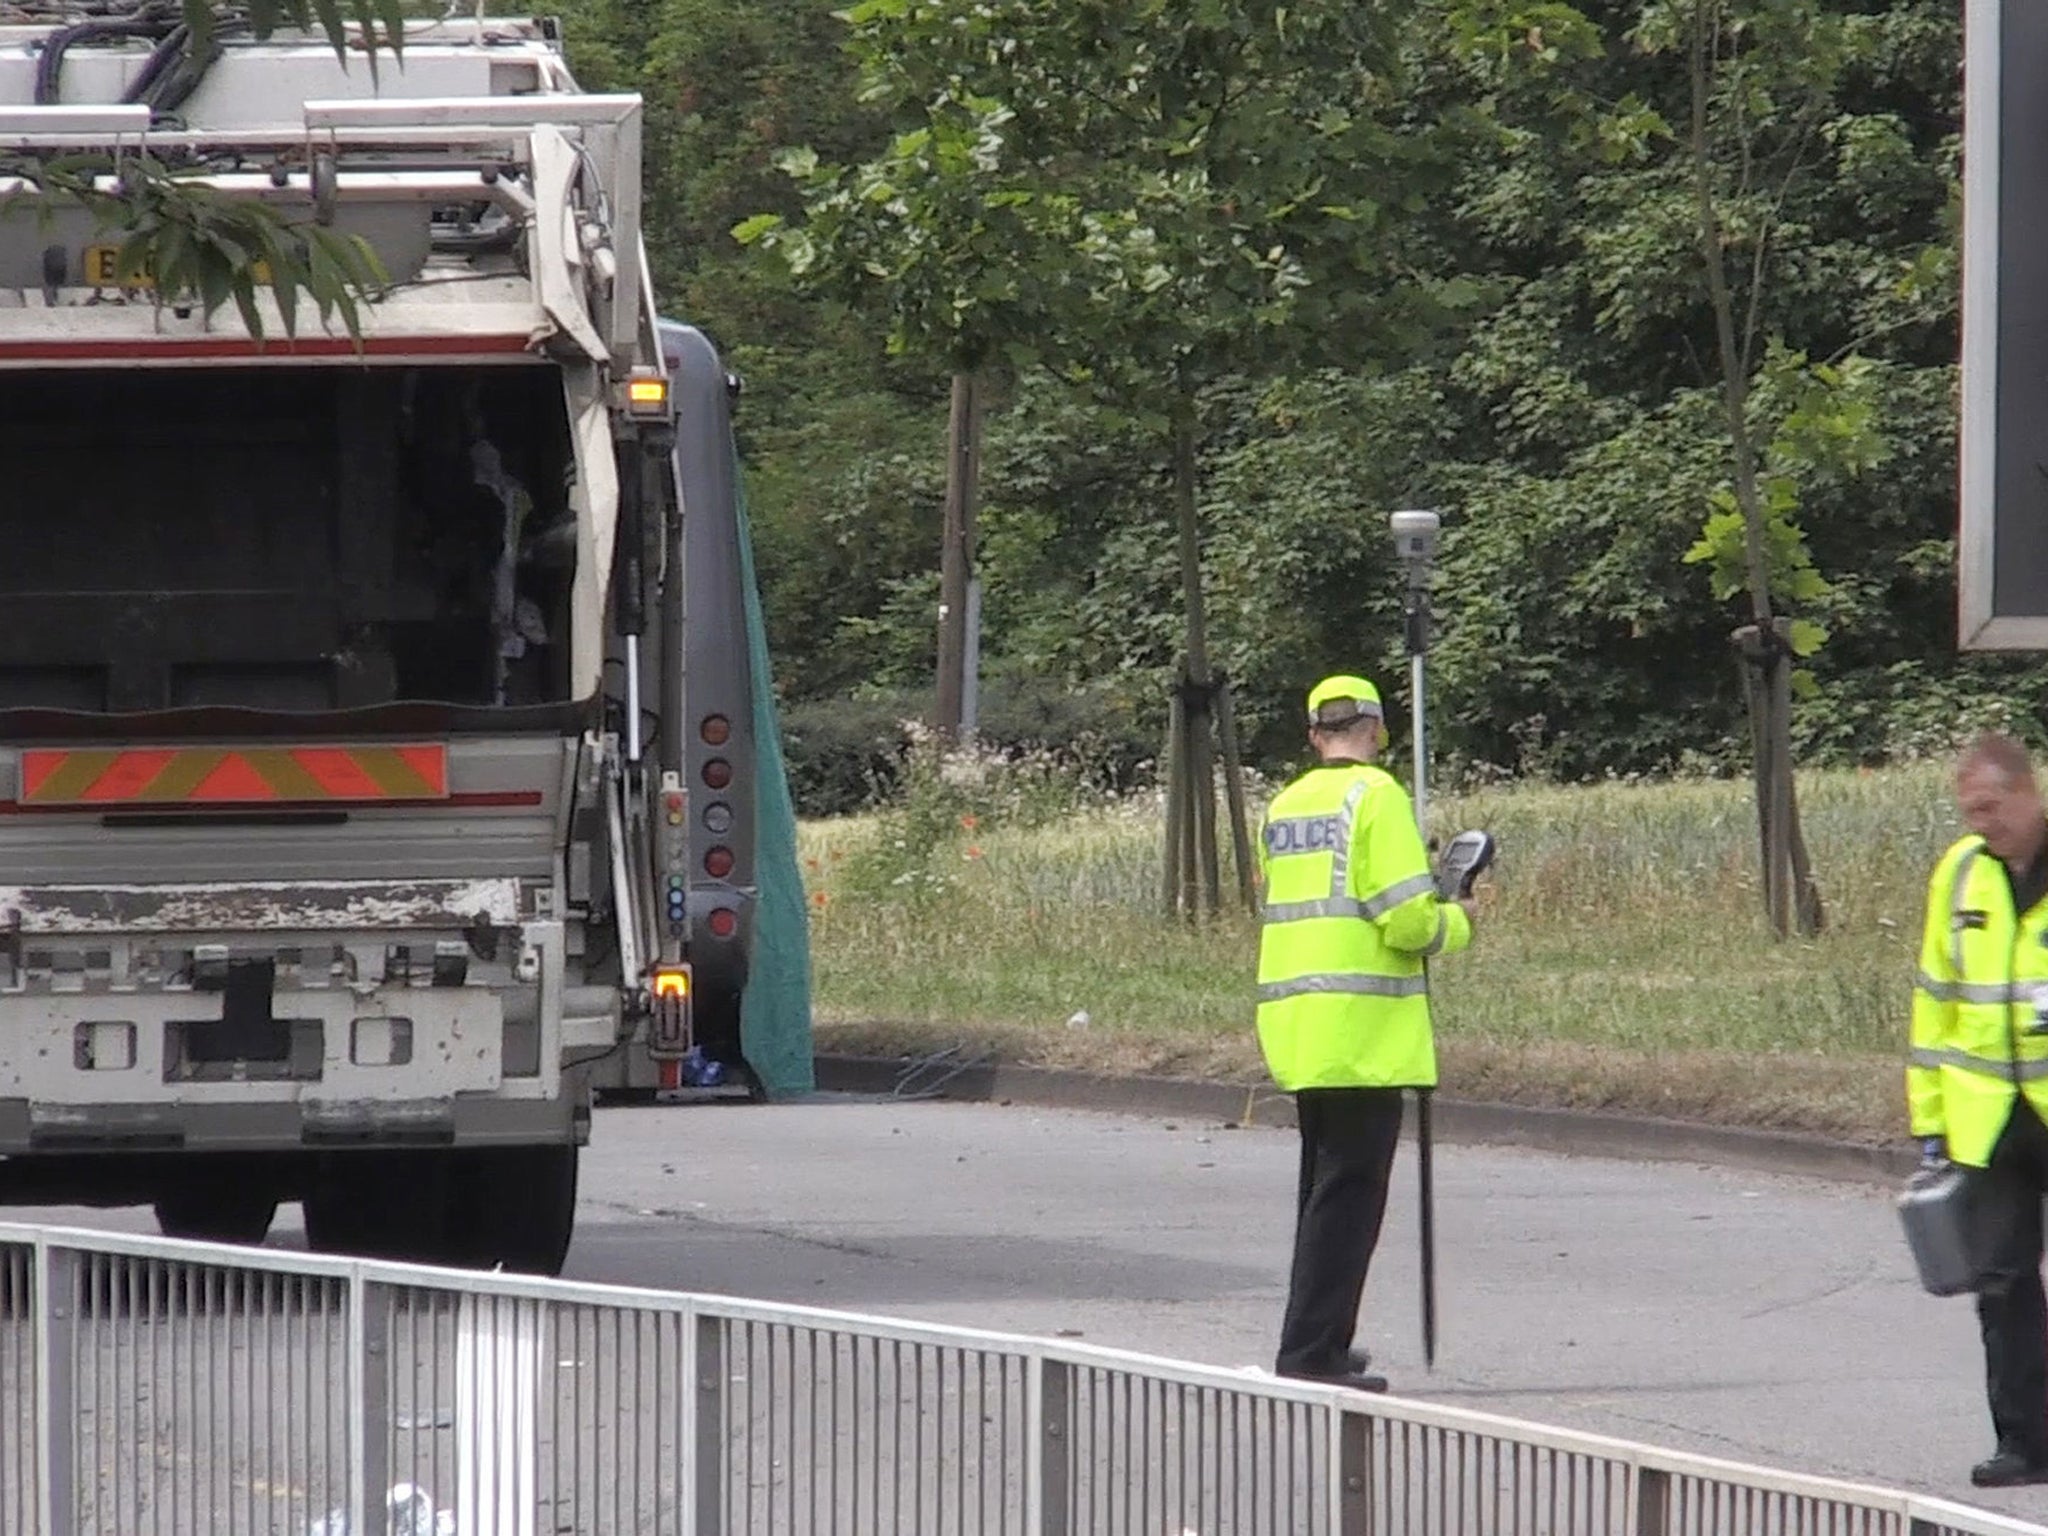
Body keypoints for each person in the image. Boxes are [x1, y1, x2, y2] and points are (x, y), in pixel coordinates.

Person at [1254, 673, 1475, 1392]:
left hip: (1297, 1023)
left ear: (1315, 734)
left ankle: (1317, 1338)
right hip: (1364, 1031)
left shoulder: (1285, 805)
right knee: (1349, 1199)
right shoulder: (1377, 797)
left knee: (1322, 1191)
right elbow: (1406, 920)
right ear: (1378, 730)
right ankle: (1311, 1353)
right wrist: (1458, 913)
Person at [1913, 731, 2048, 1487]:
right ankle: (2025, 1445)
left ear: (2029, 793)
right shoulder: (1959, 875)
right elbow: (1933, 1005)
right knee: (2002, 1287)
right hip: (1988, 1119)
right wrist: (1929, 1120)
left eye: (1992, 808)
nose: (1981, 824)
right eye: (1970, 811)